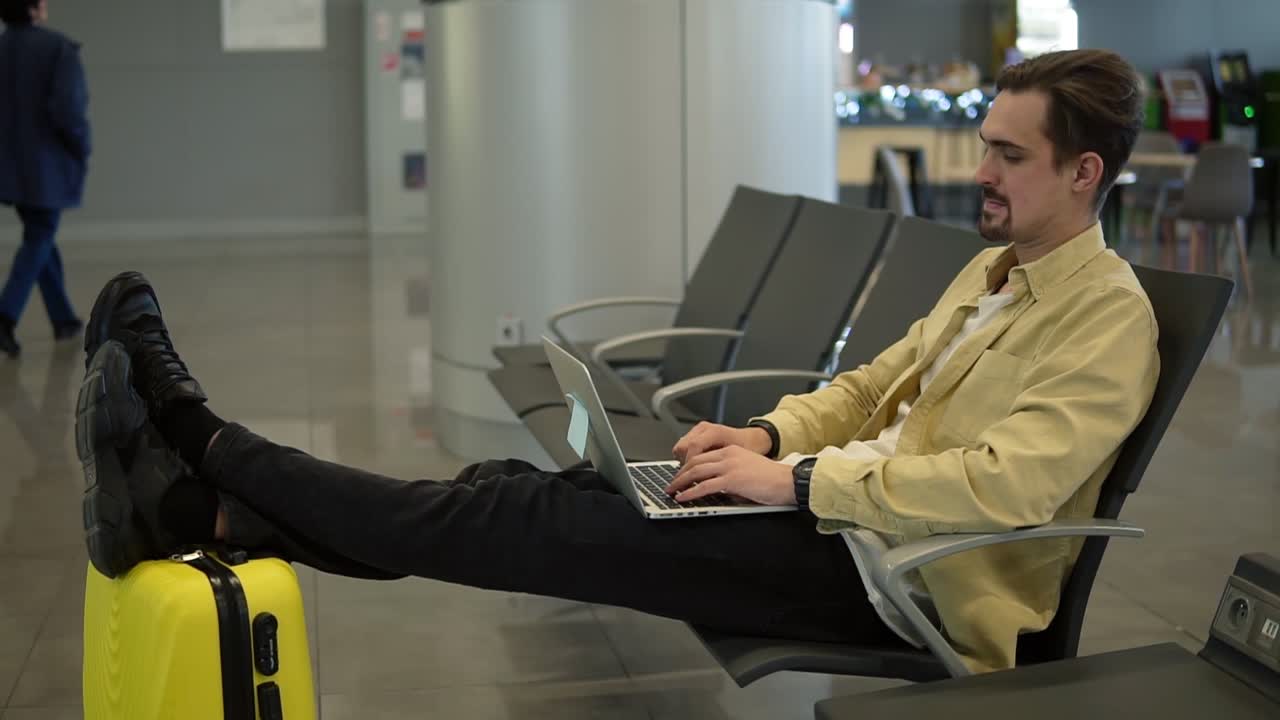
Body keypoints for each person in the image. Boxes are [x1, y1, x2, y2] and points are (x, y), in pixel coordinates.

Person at [75, 48, 1158, 674]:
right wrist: (769, 436)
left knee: (518, 517)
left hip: (893, 586)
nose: (981, 173)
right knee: (504, 487)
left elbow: (1004, 486)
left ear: (1082, 174)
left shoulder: (1107, 321)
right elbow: (872, 386)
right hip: (834, 522)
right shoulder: (991, 273)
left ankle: (200, 442)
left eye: (1008, 157)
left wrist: (791, 481)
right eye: (985, 147)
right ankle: (193, 514)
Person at [0, 0, 89, 358]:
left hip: (9, 166)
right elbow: (68, 109)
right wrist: (82, 146)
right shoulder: (58, 49)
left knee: (41, 234)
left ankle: (63, 318)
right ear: (35, 8)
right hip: (46, 166)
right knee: (40, 235)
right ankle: (5, 316)